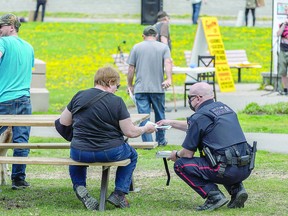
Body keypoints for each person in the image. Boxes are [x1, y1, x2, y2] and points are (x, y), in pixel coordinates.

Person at [59, 66, 156, 210]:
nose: (117, 89)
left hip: (79, 151)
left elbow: (64, 122)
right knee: (132, 155)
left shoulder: (79, 96)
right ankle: (119, 193)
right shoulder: (116, 102)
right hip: (109, 151)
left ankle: (79, 185)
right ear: (110, 82)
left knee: (76, 157)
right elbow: (130, 132)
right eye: (117, 85)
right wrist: (145, 128)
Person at [157, 82, 255, 211]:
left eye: (190, 98)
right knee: (223, 158)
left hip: (225, 171)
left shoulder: (199, 117)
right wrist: (170, 123)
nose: (189, 102)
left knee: (181, 165)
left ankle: (214, 196)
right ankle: (236, 189)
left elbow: (187, 154)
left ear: (197, 98)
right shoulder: (225, 109)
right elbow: (196, 125)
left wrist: (175, 154)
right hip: (245, 167)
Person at [0, 13, 34, 190]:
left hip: (4, 99)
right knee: (21, 140)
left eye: (1, 27)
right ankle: (18, 179)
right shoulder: (29, 47)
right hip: (24, 99)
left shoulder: (2, 42)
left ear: (11, 27)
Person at [127, 26, 173, 146]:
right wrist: (168, 78)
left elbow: (131, 68)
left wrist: (130, 85)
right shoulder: (163, 47)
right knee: (160, 115)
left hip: (141, 88)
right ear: (156, 36)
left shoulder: (136, 47)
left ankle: (147, 143)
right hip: (158, 87)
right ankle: (161, 141)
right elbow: (168, 62)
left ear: (143, 36)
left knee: (144, 117)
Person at [277, 15, 288, 95]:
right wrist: (284, 24)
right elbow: (278, 34)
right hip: (283, 50)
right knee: (283, 71)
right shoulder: (282, 25)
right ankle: (285, 89)